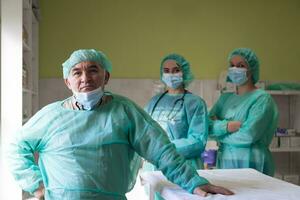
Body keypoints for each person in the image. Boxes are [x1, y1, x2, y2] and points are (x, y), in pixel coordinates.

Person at [7, 49, 233, 200]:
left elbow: (161, 150)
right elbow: (16, 147)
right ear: (68, 81)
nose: (85, 78)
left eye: (93, 70)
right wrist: (37, 185)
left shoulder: (125, 111)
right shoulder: (50, 116)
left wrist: (192, 181)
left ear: (106, 76)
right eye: (77, 72)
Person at [209, 48, 278, 176]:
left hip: (253, 163)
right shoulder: (225, 98)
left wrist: (219, 132)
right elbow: (206, 127)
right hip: (225, 162)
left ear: (251, 70)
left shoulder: (262, 99)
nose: (235, 69)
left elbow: (248, 135)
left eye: (241, 65)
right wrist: (228, 126)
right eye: (232, 65)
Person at [144, 53, 208, 170]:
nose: (171, 74)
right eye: (166, 71)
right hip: (154, 166)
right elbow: (143, 132)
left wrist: (164, 148)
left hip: (183, 167)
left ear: (184, 73)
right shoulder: (154, 102)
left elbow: (197, 142)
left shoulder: (195, 103)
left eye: (176, 70)